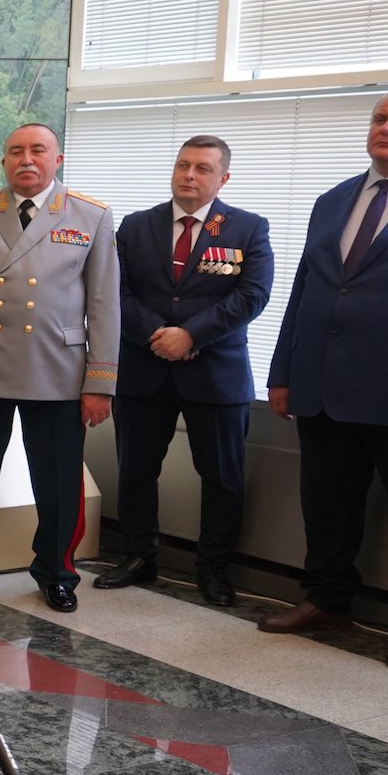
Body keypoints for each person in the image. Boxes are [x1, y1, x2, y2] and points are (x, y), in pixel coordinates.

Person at [260, 87, 388, 668]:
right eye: (380, 118)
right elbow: (307, 288)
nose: (386, 128)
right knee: (327, 504)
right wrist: (283, 370)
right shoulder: (333, 199)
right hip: (322, 383)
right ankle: (326, 600)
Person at [0, 124, 119, 613]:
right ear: (4, 161)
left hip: (58, 369)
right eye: (16, 151)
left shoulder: (90, 215)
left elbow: (105, 304)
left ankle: (57, 572)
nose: (26, 159)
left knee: (58, 481)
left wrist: (100, 382)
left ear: (57, 159)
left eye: (38, 150)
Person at [96, 136, 271, 607]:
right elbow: (114, 290)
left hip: (216, 373)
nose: (189, 175)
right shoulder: (136, 226)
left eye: (202, 168)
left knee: (222, 478)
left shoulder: (248, 228)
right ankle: (139, 556)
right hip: (144, 367)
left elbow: (252, 295)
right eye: (183, 165)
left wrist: (192, 335)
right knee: (135, 471)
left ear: (223, 178)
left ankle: (212, 567)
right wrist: (157, 333)